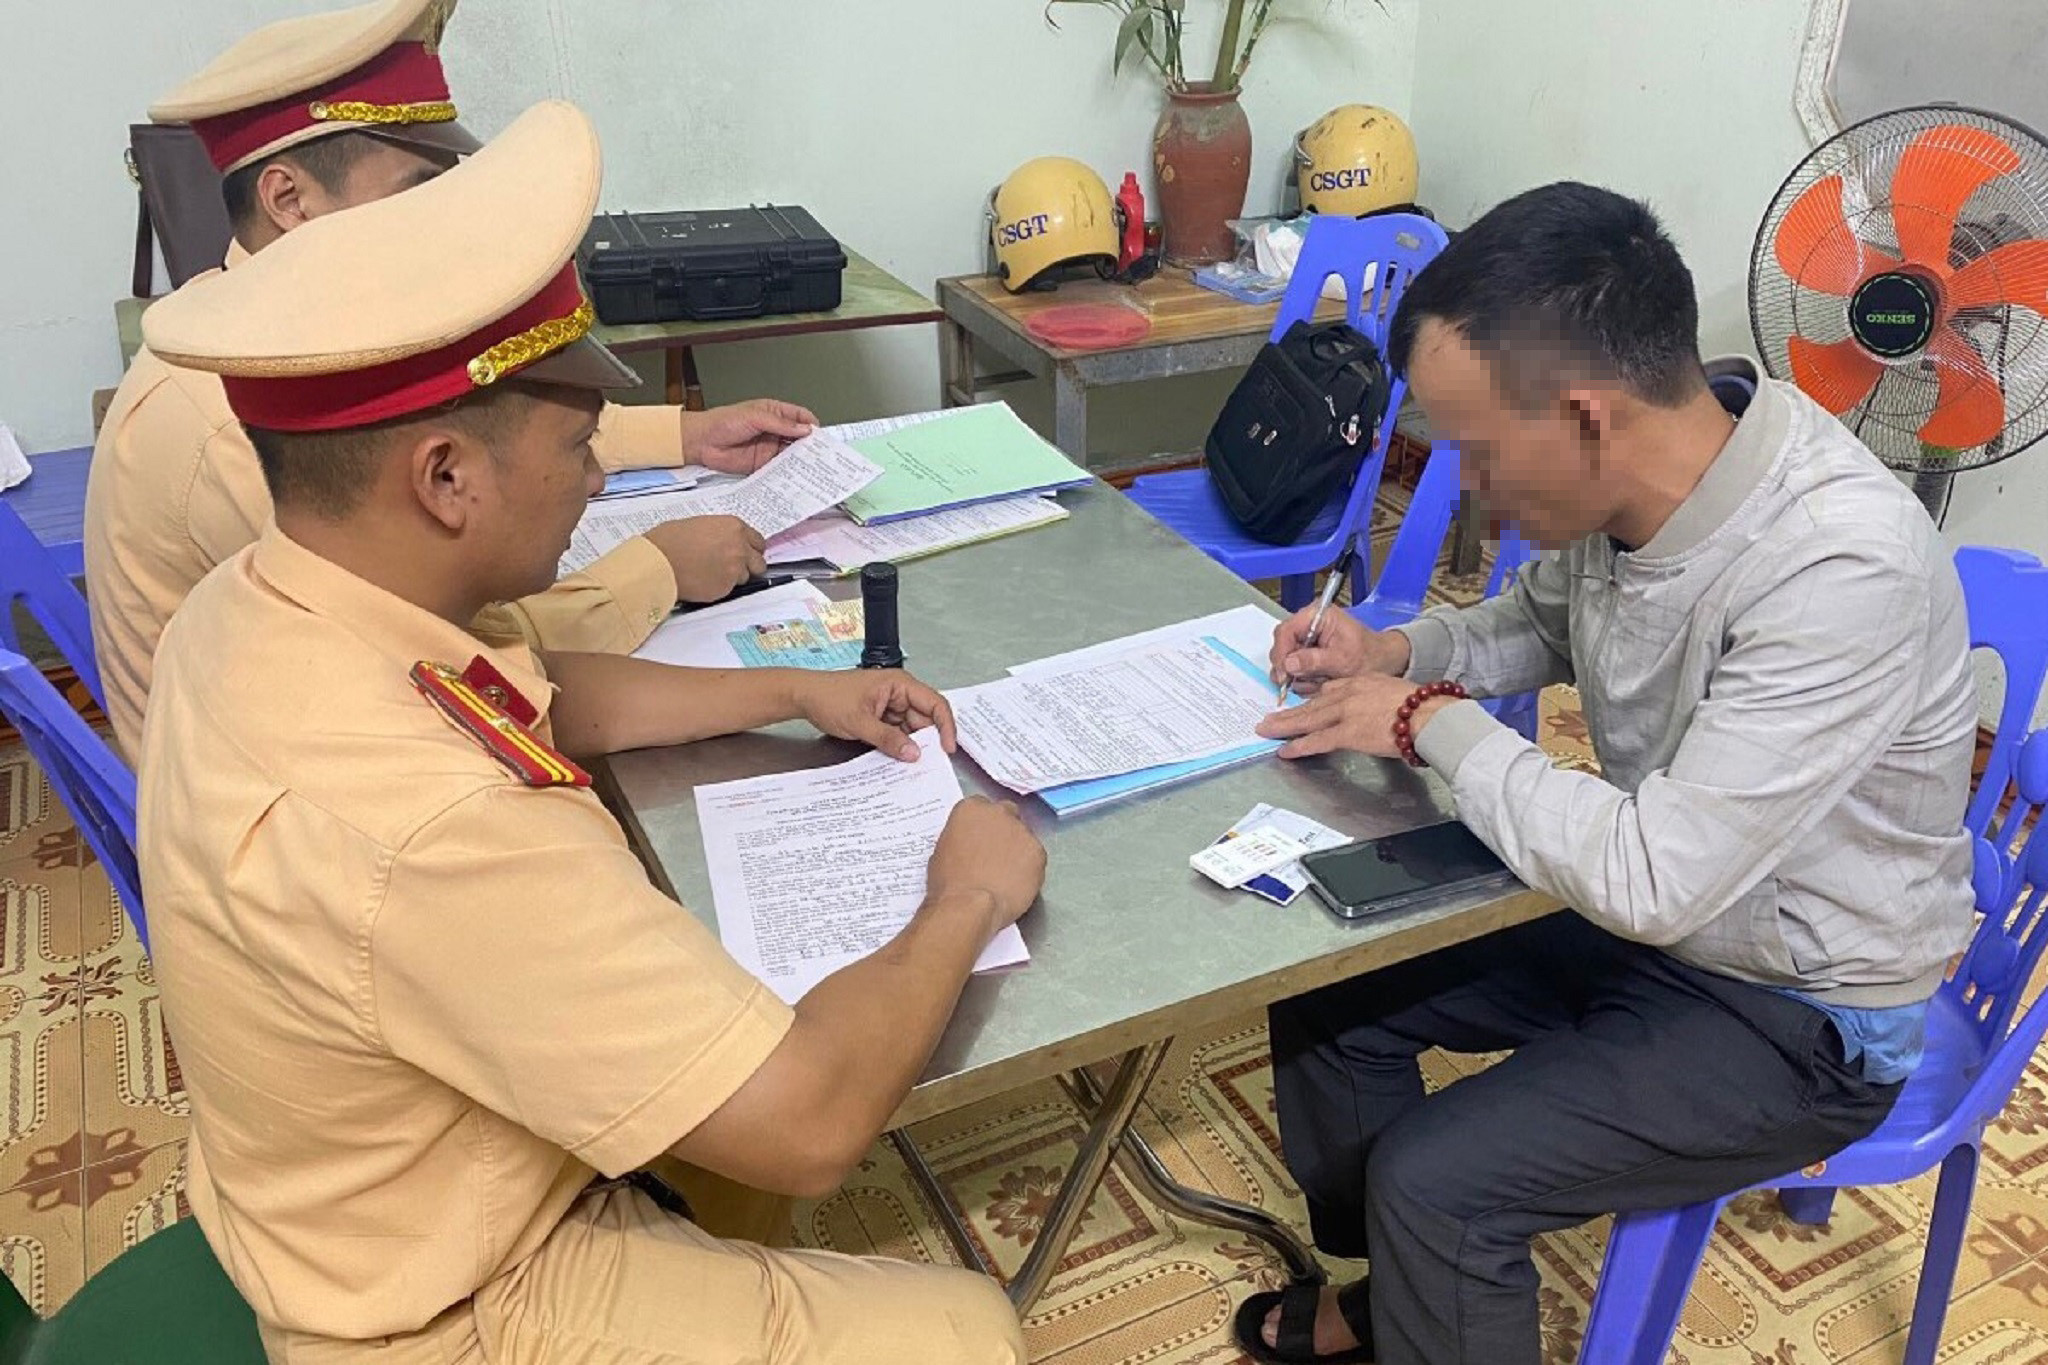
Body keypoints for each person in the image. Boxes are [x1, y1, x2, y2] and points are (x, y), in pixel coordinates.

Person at [135, 99, 1043, 1365]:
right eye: (577, 447)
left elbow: (536, 688)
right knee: (966, 1332)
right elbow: (811, 1122)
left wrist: (797, 693)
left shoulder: (260, 600)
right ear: (445, 478)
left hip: (360, 1192)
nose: (600, 478)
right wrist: (967, 893)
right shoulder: (433, 827)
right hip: (449, 1306)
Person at [1234, 182, 1978, 1365]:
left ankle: (1423, 1257)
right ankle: (1399, 1298)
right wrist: (1394, 652)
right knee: (1328, 986)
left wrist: (1424, 719)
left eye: (1476, 454)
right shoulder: (1643, 484)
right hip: (1670, 921)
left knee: (1440, 1181)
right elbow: (1541, 619)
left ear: (1584, 416)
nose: (1466, 487)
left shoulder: (1839, 565)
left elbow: (1652, 879)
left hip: (1803, 1005)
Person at [86, 0, 813, 759]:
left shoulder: (292, 340)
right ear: (288, 199)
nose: (444, 221)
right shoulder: (238, 414)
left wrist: (688, 435)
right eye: (415, 194)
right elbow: (465, 661)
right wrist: (658, 567)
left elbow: (482, 417)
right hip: (322, 784)